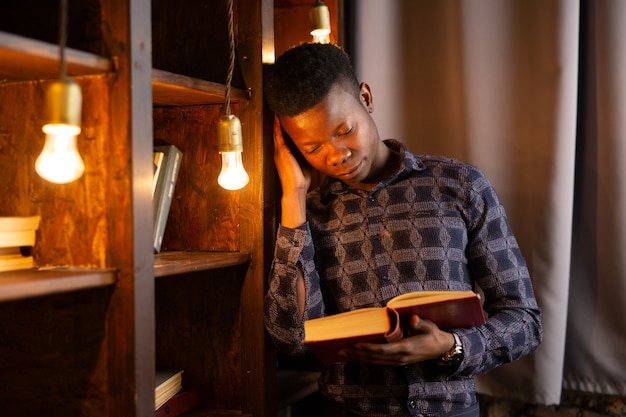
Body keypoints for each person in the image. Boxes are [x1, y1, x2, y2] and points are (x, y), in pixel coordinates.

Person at [263, 42, 542, 417]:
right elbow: (291, 340)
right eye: (313, 147)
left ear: (366, 97)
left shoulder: (460, 185)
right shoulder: (307, 215)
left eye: (345, 130)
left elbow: (524, 319)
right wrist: (294, 199)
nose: (336, 155)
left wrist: (450, 346)